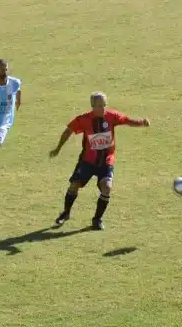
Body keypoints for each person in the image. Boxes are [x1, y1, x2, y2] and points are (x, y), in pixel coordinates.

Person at [49, 92, 150, 230]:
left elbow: (126, 120)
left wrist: (141, 123)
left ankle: (97, 220)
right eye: (99, 106)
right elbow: (68, 131)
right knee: (74, 185)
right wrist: (58, 148)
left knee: (107, 187)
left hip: (106, 162)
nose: (103, 108)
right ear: (92, 106)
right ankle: (66, 213)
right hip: (87, 161)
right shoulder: (84, 119)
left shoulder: (111, 116)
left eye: (104, 105)